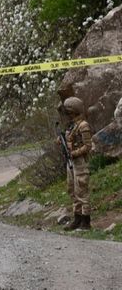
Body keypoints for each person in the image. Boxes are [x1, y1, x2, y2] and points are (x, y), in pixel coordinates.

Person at [61, 97, 93, 231]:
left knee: (82, 190)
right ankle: (77, 218)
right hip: (71, 162)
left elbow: (88, 146)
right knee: (72, 190)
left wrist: (74, 153)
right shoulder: (71, 126)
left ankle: (86, 221)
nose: (67, 115)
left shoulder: (83, 125)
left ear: (74, 111)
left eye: (69, 112)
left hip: (80, 162)